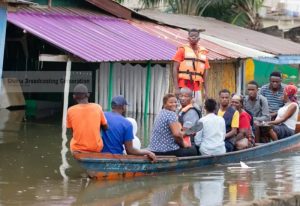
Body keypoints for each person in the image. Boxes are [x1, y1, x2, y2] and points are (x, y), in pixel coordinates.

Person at [101, 95, 156, 161]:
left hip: (99, 155)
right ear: (123, 107)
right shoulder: (127, 124)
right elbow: (130, 151)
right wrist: (147, 152)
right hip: (116, 157)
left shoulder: (102, 115)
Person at [67, 84, 108, 153]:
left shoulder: (70, 110)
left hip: (77, 149)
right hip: (96, 148)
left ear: (74, 97)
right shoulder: (97, 107)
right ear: (88, 95)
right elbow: (106, 128)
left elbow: (73, 130)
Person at [172, 28, 210, 99]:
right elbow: (175, 68)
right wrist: (176, 88)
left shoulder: (203, 53)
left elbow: (205, 73)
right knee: (183, 108)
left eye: (195, 36)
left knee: (197, 108)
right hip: (183, 85)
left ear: (199, 39)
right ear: (188, 38)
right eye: (191, 36)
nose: (193, 37)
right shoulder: (182, 50)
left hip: (197, 88)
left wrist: (206, 91)